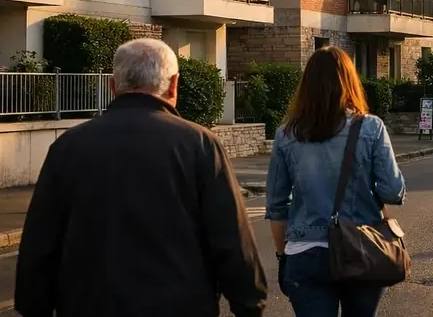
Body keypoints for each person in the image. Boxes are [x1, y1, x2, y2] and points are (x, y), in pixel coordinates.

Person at [14, 38, 267, 317]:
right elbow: (230, 235)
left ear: (113, 85)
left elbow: (41, 238)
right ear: (174, 84)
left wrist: (33, 306)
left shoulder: (68, 146)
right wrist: (249, 304)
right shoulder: (199, 144)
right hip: (179, 305)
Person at [266, 46, 406, 317]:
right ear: (350, 81)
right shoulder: (371, 128)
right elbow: (393, 191)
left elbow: (276, 206)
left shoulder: (286, 134)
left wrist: (283, 256)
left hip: (305, 252)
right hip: (362, 247)